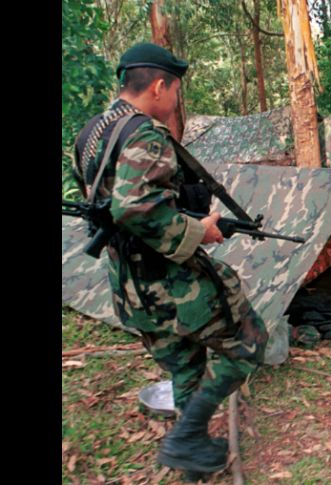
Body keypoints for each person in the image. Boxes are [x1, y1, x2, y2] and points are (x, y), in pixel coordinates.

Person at [71, 43, 269, 477]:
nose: (177, 100)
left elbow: (106, 203)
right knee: (250, 341)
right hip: (171, 283)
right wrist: (201, 231)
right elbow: (132, 207)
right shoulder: (145, 134)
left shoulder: (91, 133)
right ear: (159, 87)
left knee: (185, 363)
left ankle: (192, 454)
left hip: (128, 283)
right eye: (176, 90)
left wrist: (182, 216)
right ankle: (186, 436)